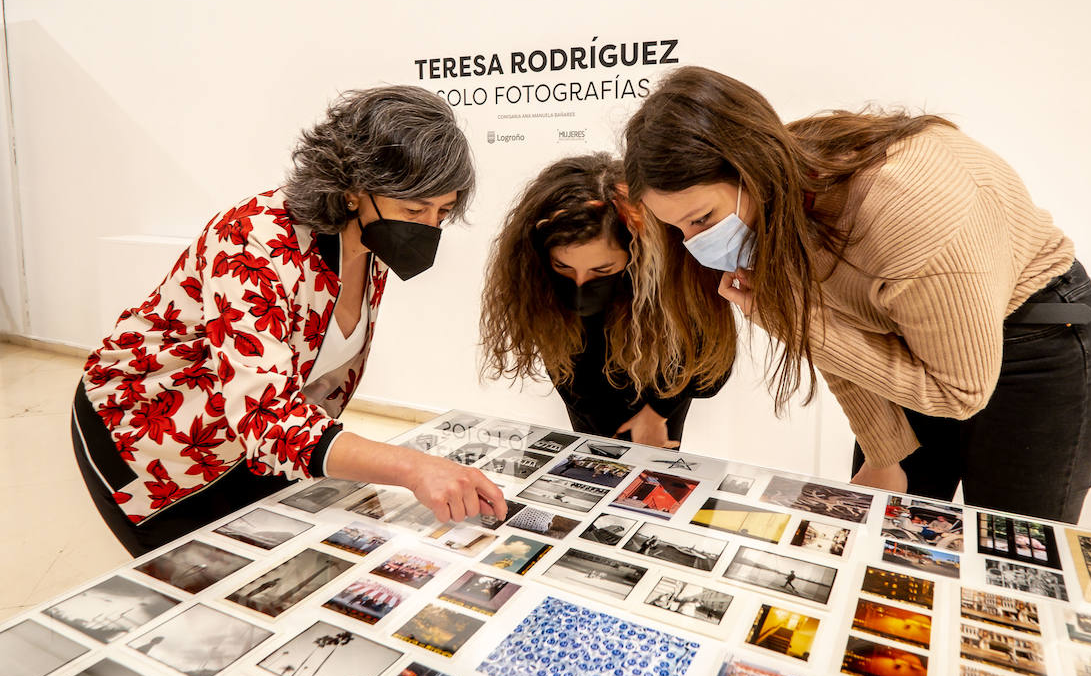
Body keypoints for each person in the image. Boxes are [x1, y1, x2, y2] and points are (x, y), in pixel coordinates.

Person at [623, 66, 1091, 523]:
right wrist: (883, 456)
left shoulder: (905, 210)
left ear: (749, 167)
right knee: (886, 538)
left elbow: (959, 390)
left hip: (1036, 339)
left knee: (1014, 547)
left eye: (703, 219)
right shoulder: (781, 193)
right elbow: (843, 338)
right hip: (910, 342)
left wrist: (792, 320)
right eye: (679, 228)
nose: (695, 244)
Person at [72, 86, 507, 555]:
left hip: (253, 446)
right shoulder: (250, 239)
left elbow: (300, 389)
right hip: (152, 439)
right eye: (414, 210)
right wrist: (412, 468)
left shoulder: (370, 243)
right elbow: (267, 421)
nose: (427, 228)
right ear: (353, 189)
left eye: (442, 212)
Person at [480, 153, 733, 448]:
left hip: (663, 400)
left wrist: (656, 413)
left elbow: (710, 369)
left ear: (634, 255)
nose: (581, 284)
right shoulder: (545, 286)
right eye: (564, 267)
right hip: (589, 413)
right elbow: (574, 382)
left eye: (602, 270)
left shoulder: (674, 281)